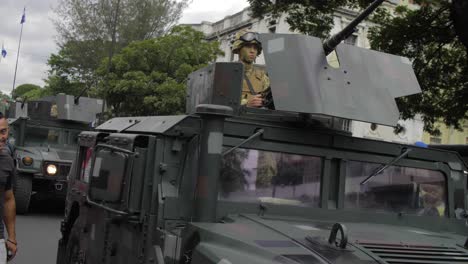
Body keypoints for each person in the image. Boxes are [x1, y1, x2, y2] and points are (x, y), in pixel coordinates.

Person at [232, 29, 270, 108]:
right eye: (248, 47)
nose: (252, 51)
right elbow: (219, 102)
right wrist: (246, 103)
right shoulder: (227, 73)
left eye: (255, 48)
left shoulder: (262, 77)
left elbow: (269, 99)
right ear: (239, 48)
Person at [0, 112, 17, 263]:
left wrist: (11, 238)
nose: (1, 137)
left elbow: (8, 199)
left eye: (3, 131)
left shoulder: (7, 161)